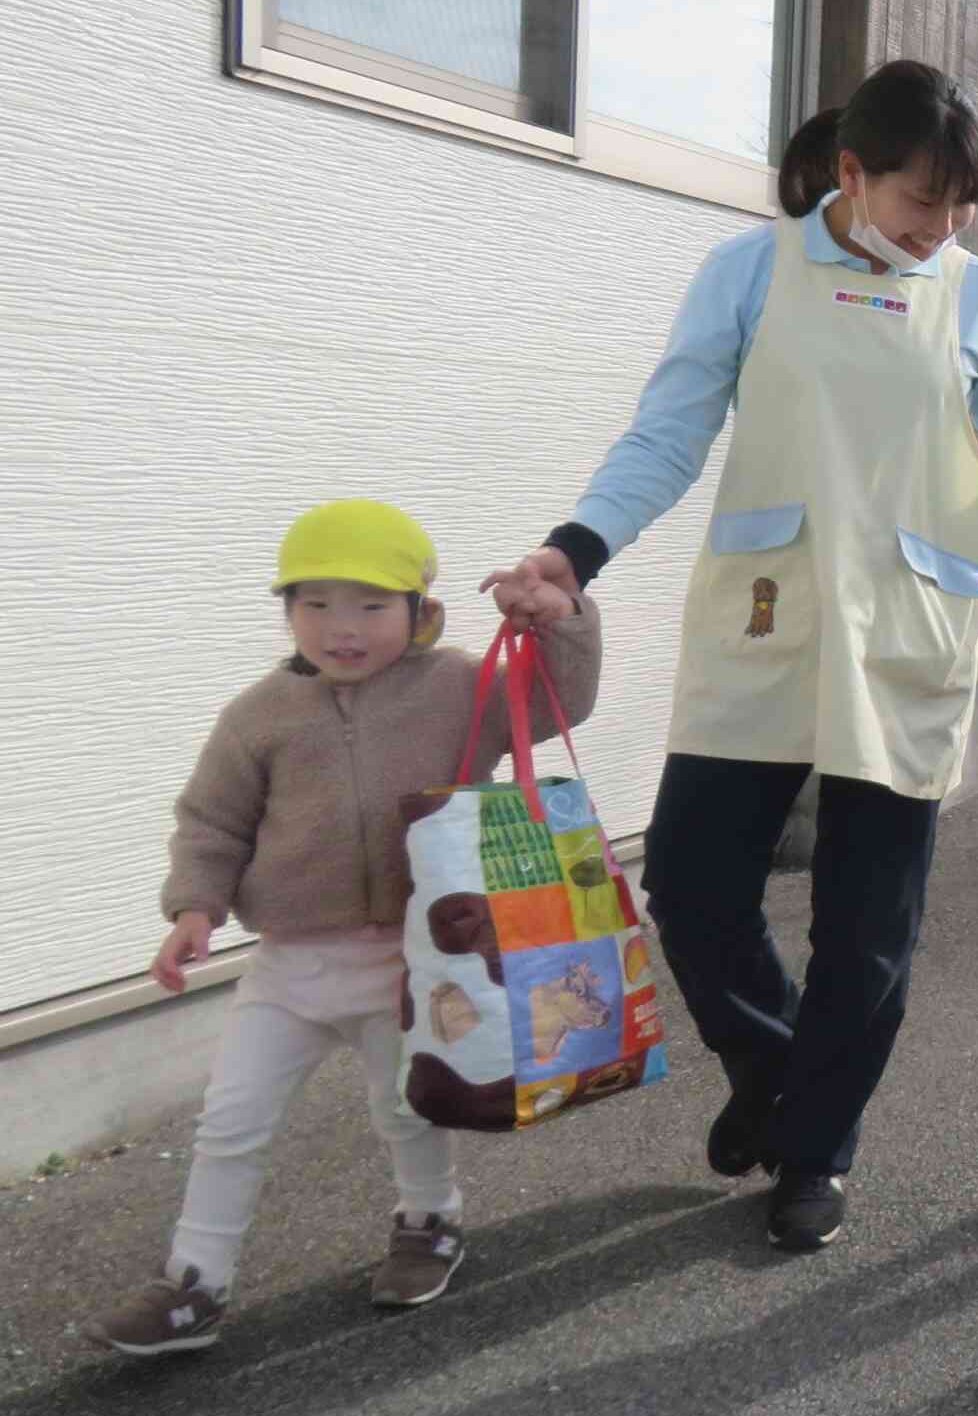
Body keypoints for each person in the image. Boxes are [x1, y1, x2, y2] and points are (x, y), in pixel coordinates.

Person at [483, 59, 978, 1253]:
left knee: (868, 924)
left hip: (906, 636)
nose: (941, 232)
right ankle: (775, 1076)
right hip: (764, 619)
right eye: (921, 203)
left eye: (960, 210)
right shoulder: (750, 271)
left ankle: (816, 1150)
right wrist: (574, 550)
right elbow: (667, 431)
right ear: (850, 174)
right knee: (692, 879)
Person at [79, 503, 600, 1356]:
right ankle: (193, 1285)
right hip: (288, 965)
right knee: (231, 1117)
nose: (340, 627)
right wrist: (194, 910)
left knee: (404, 1105)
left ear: (417, 608)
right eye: (314, 603)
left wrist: (563, 621)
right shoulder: (259, 713)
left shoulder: (460, 685)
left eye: (368, 604)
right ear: (287, 611)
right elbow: (212, 821)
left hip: (413, 960)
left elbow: (556, 702)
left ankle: (429, 1222)